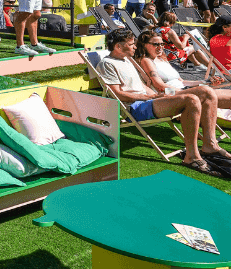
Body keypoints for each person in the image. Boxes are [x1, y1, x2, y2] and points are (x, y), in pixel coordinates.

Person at [98, 28, 227, 176]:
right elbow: (117, 94)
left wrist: (159, 95)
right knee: (191, 99)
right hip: (135, 108)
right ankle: (192, 156)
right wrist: (150, 97)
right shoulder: (107, 63)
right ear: (118, 47)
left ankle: (210, 145)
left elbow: (143, 87)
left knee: (207, 91)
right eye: (131, 44)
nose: (135, 47)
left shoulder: (127, 60)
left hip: (150, 99)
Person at [135, 30, 231, 109]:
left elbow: (183, 81)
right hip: (173, 94)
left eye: (162, 44)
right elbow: (159, 86)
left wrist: (206, 82)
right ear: (144, 45)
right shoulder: (146, 61)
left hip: (184, 90)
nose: (160, 47)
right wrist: (183, 91)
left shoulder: (162, 59)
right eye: (156, 44)